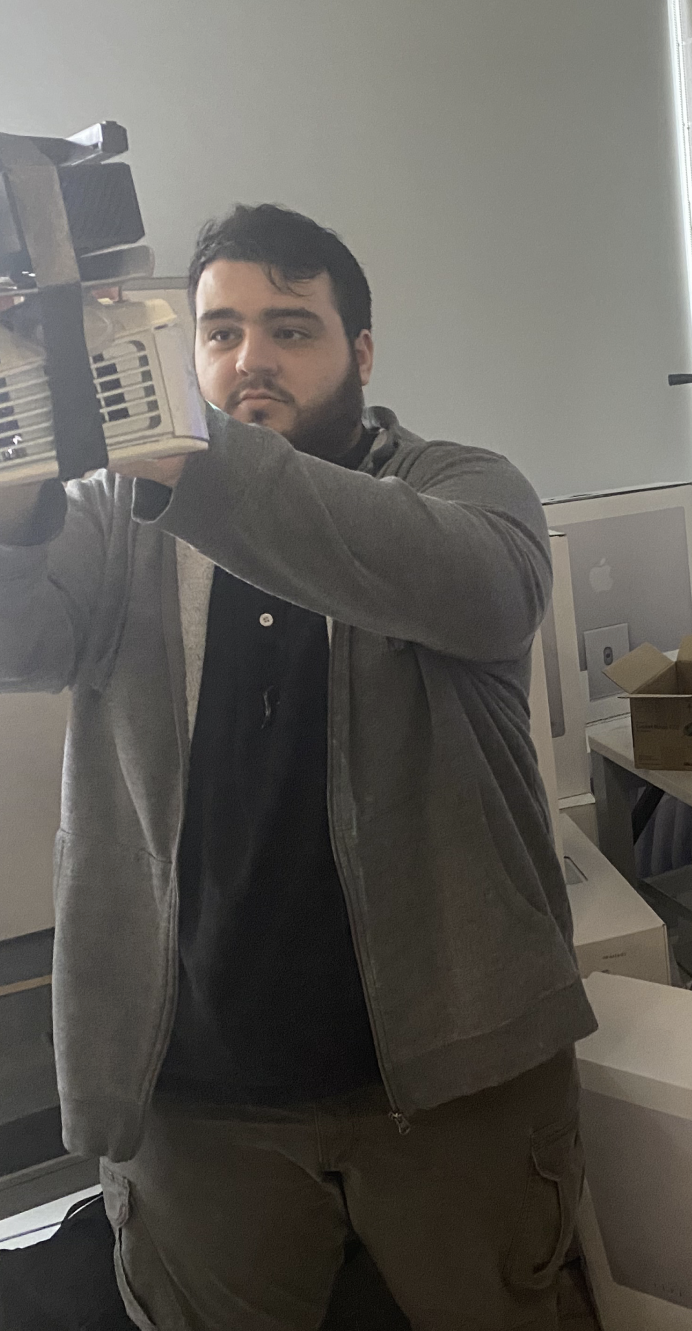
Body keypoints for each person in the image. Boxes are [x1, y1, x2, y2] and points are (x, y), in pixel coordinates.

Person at [0, 204, 596, 1331]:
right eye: (218, 333)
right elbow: (13, 631)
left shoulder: (464, 488)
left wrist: (179, 441)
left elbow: (476, 588)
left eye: (290, 328)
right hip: (197, 1094)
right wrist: (22, 417)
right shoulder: (120, 522)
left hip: (455, 1085)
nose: (249, 359)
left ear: (360, 354)